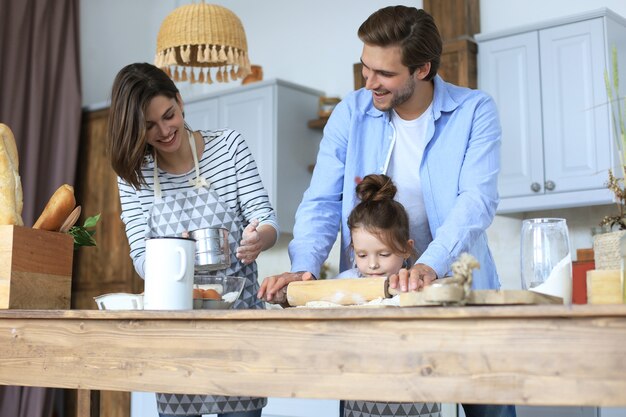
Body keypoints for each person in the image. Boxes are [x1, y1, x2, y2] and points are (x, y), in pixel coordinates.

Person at [258, 6, 515, 417]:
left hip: (459, 293)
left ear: (422, 69)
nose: (369, 82)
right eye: (365, 68)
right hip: (373, 298)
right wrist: (304, 266)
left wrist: (428, 265)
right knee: (371, 406)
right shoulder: (351, 113)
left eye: (385, 74)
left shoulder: (474, 111)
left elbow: (476, 201)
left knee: (490, 405)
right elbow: (321, 200)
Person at [108, 62, 278, 417]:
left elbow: (266, 219)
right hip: (176, 334)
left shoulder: (228, 147)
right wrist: (174, 255)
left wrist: (256, 239)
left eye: (168, 115)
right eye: (149, 126)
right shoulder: (134, 176)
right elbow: (140, 257)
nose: (165, 130)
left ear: (180, 101)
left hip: (238, 322)